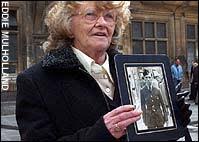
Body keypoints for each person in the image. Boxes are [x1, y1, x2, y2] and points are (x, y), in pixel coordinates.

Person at [16, 1, 191, 141]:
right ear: (68, 25)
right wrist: (100, 133)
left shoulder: (134, 71)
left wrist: (171, 122)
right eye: (90, 15)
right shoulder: (35, 81)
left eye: (109, 16)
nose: (101, 23)